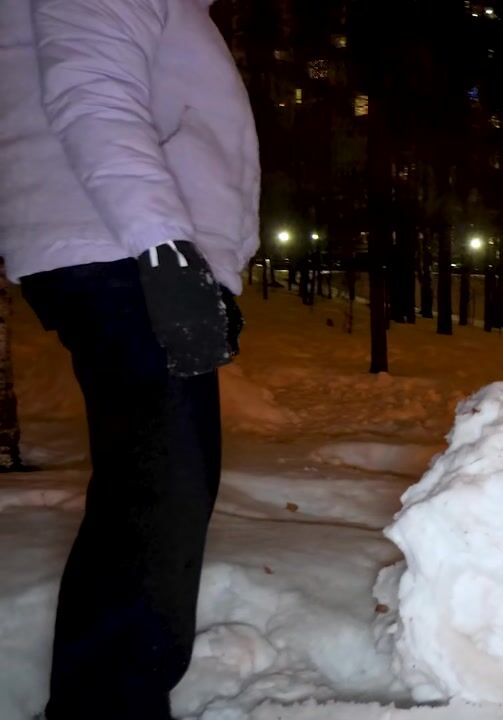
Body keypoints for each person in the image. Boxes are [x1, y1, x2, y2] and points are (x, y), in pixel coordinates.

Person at [0, 0, 259, 716]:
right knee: (158, 498)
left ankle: (106, 699)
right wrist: (165, 249)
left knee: (154, 492)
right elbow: (92, 89)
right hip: (121, 248)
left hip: (123, 247)